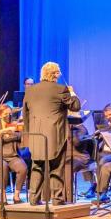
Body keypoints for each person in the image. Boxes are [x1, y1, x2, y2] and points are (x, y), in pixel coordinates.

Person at [22, 61, 81, 205]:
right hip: (55, 136)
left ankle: (34, 199)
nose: (59, 75)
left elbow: (25, 114)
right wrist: (72, 92)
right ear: (55, 74)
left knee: (37, 167)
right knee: (56, 167)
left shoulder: (30, 90)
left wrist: (29, 137)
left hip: (36, 136)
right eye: (58, 72)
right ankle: (57, 199)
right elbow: (76, 106)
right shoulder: (61, 89)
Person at [0, 104, 28, 204]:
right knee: (3, 166)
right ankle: (2, 195)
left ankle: (16, 196)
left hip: (12, 156)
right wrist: (2, 132)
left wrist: (12, 133)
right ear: (0, 115)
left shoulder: (14, 125)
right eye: (6, 114)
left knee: (23, 168)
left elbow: (22, 136)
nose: (8, 116)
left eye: (10, 114)